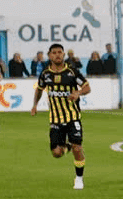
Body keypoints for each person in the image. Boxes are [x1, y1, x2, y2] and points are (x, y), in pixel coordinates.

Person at [31, 43, 91, 190]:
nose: (57, 55)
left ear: (64, 54)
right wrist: (35, 105)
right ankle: (67, 146)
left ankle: (79, 178)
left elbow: (87, 87)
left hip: (73, 117)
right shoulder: (45, 74)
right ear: (49, 55)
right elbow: (39, 89)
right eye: (54, 53)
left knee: (78, 148)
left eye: (60, 52)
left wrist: (78, 93)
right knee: (57, 153)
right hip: (56, 119)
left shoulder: (72, 72)